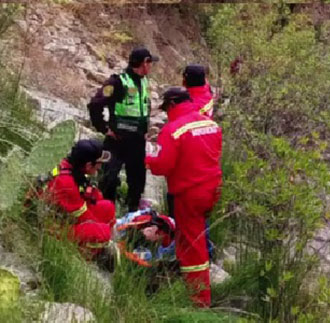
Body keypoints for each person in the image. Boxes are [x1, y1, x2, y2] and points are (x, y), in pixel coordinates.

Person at [145, 87, 222, 307]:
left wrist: (148, 160)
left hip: (189, 193)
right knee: (196, 235)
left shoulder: (173, 130)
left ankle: (198, 300)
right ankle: (189, 282)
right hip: (212, 189)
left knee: (192, 246)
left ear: (171, 105)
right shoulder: (211, 125)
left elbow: (163, 166)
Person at [87, 47, 159, 212]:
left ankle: (132, 217)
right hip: (116, 142)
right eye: (150, 63)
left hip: (137, 142)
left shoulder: (144, 82)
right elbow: (95, 104)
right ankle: (105, 214)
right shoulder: (116, 82)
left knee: (137, 182)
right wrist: (104, 128)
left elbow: (143, 107)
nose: (151, 67)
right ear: (144, 63)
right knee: (108, 179)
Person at [44, 139, 115, 258]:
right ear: (88, 165)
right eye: (98, 163)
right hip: (53, 227)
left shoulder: (70, 168)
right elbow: (84, 217)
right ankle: (86, 254)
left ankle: (97, 245)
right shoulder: (66, 183)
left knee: (107, 207)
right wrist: (104, 231)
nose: (100, 167)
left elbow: (93, 197)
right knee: (103, 233)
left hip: (63, 216)